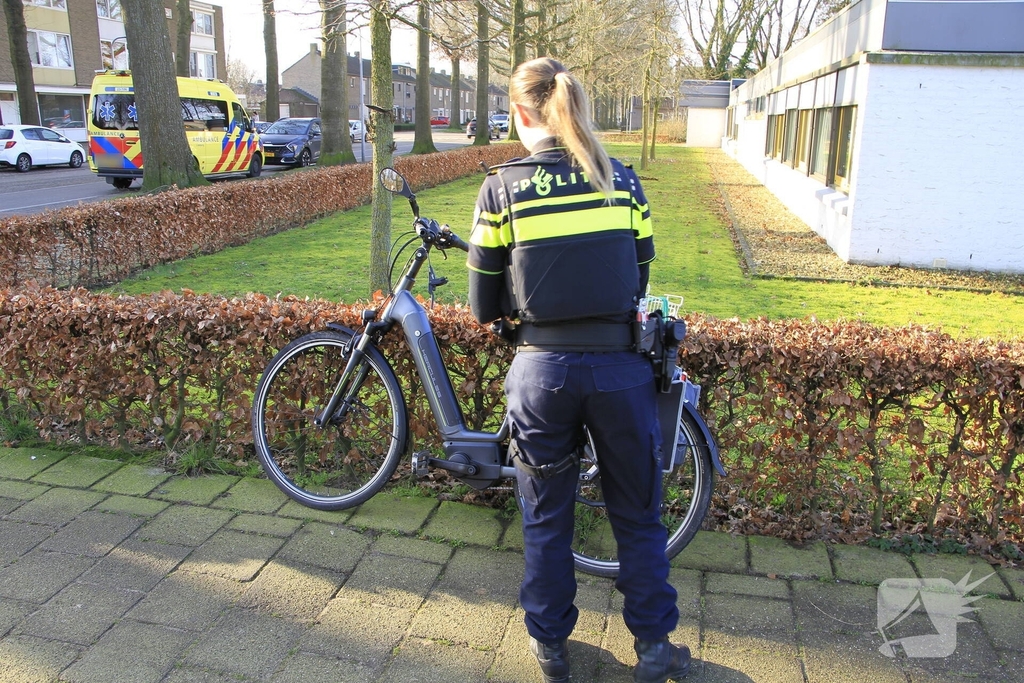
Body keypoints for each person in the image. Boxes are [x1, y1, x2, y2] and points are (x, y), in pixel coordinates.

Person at [466, 57, 691, 683]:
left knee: (546, 514)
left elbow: (484, 303)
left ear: (520, 113)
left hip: (542, 375)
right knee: (638, 513)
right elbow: (639, 275)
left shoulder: (500, 188)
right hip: (621, 371)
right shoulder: (623, 180)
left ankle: (551, 648)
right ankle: (652, 648)